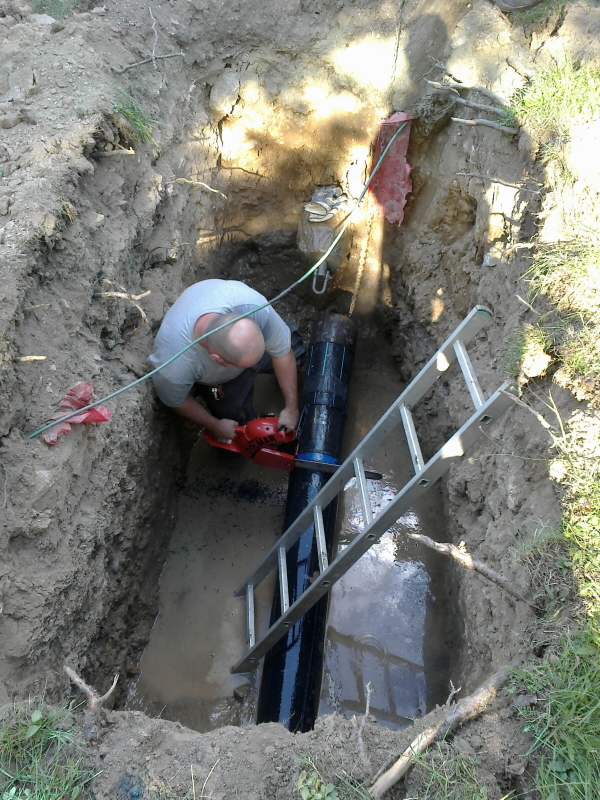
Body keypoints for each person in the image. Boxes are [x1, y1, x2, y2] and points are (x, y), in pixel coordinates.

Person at [148, 279, 305, 441]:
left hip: (239, 351)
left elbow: (283, 352)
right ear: (217, 359)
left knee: (296, 350)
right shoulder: (174, 365)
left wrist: (291, 408)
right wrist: (214, 425)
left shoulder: (252, 306)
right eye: (246, 365)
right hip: (219, 379)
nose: (252, 369)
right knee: (239, 429)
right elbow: (177, 401)